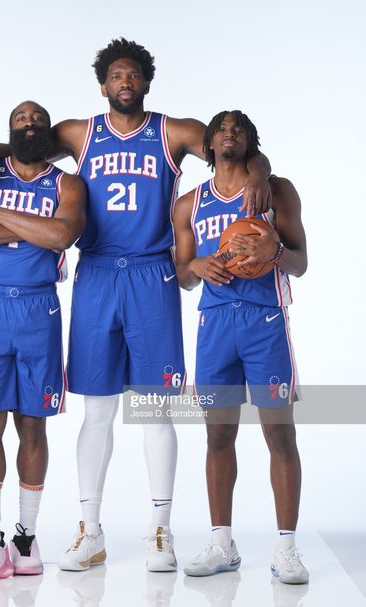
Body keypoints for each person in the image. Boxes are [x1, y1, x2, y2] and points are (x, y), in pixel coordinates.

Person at [0, 38, 271, 572]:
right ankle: (91, 530)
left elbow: (233, 147)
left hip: (152, 273)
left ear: (146, 82)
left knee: (155, 409)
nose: (125, 82)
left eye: (133, 75)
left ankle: (161, 530)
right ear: (103, 84)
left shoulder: (173, 131)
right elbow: (22, 147)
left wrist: (261, 171)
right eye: (116, 75)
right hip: (98, 274)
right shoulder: (79, 133)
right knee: (98, 410)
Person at [0, 100, 86, 584]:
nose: (30, 125)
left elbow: (63, 234)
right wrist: (33, 228)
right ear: (9, 131)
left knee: (33, 424)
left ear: (47, 131)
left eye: (37, 120)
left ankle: (24, 540)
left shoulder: (66, 184)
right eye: (20, 121)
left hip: (37, 309)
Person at [173, 110, 308, 584]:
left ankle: (287, 548)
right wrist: (199, 266)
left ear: (251, 141)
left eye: (240, 129)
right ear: (208, 143)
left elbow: (301, 263)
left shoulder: (276, 190)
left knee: (279, 435)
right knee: (217, 436)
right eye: (222, 130)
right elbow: (184, 275)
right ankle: (221, 543)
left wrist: (275, 254)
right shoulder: (189, 203)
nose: (230, 135)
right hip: (215, 327)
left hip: (264, 322)